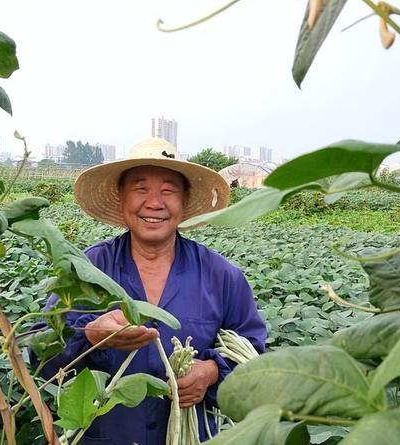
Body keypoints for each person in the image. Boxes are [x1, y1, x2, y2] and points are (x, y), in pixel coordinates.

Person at [37, 137, 267, 445]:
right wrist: (90, 336)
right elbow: (40, 353)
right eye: (140, 188)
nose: (154, 203)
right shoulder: (89, 269)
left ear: (184, 202)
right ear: (121, 198)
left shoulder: (222, 276)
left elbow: (254, 356)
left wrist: (212, 371)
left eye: (169, 190)